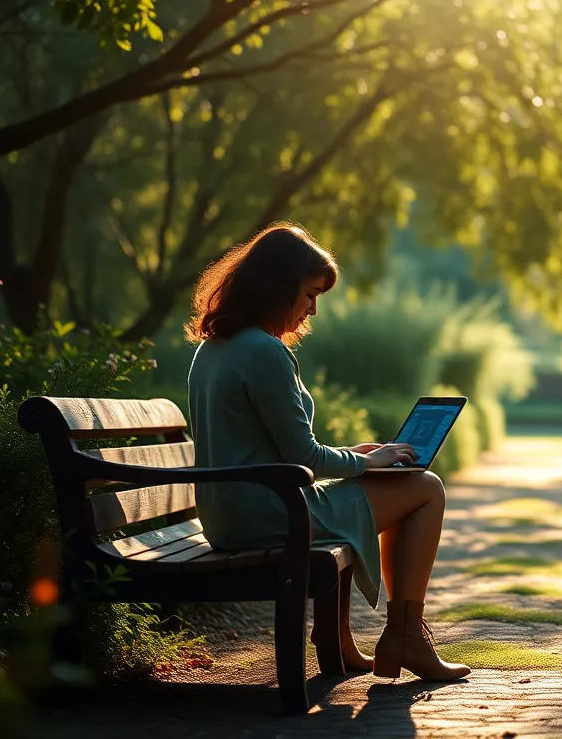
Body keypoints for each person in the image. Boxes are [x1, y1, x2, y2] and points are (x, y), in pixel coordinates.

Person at [184, 222, 470, 681]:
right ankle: (406, 638)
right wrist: (365, 461)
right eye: (310, 294)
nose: (313, 309)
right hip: (267, 514)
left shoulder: (215, 347)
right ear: (278, 288)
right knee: (426, 488)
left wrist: (356, 456)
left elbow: (274, 449)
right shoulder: (265, 353)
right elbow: (306, 459)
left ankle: (338, 638)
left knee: (371, 482)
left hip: (228, 514)